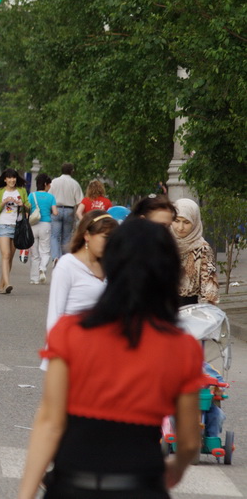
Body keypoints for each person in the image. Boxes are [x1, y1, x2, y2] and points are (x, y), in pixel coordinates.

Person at [18, 219, 203, 499]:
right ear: (168, 274)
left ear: (112, 265)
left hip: (73, 485)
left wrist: (26, 494)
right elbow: (189, 441)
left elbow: (49, 423)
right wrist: (176, 467)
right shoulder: (182, 347)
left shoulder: (69, 333)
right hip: (142, 486)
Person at [46, 211, 118, 333]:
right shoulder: (67, 265)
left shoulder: (111, 266)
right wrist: (54, 349)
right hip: (74, 343)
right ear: (87, 235)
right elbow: (55, 313)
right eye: (105, 237)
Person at [171, 198, 219, 306]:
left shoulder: (202, 249)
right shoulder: (163, 243)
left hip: (189, 309)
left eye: (186, 222)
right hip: (160, 309)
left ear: (195, 222)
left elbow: (209, 286)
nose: (180, 227)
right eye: (176, 221)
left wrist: (206, 311)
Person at [0, 168, 30, 294]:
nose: (12, 180)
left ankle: (2, 285)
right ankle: (7, 283)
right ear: (5, 179)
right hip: (3, 225)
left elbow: (29, 206)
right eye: (9, 178)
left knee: (10, 257)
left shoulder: (21, 190)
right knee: (5, 255)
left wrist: (22, 204)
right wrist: (4, 203)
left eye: (14, 177)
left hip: (17, 226)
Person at [49, 163, 83, 264]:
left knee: (55, 236)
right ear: (71, 171)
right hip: (69, 210)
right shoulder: (75, 183)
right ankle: (64, 261)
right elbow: (79, 201)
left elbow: (49, 197)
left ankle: (55, 256)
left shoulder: (54, 182)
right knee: (67, 236)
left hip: (56, 209)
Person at [29, 174, 58, 285]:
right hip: (45, 225)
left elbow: (27, 209)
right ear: (45, 184)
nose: (50, 186)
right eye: (49, 184)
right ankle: (42, 268)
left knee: (34, 253)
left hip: (33, 225)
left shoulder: (31, 195)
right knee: (45, 250)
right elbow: (55, 212)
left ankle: (34, 278)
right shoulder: (51, 197)